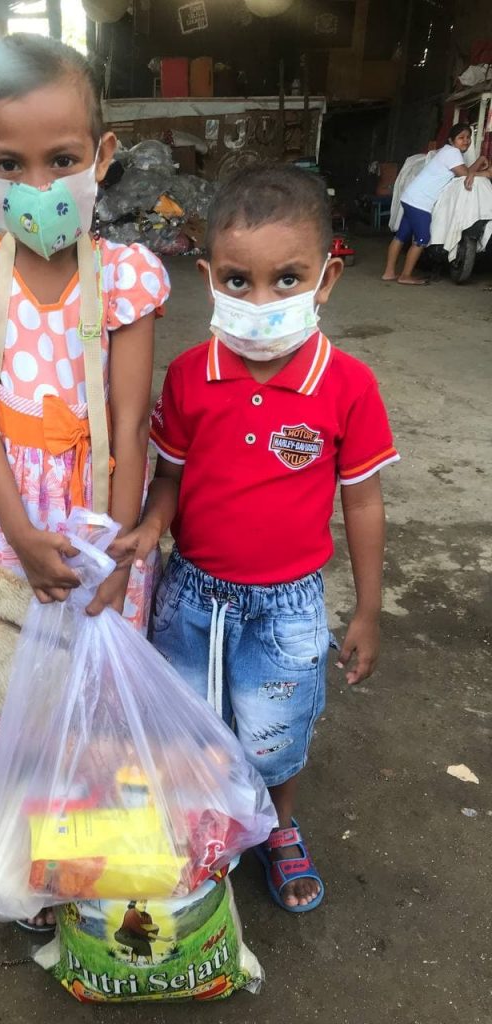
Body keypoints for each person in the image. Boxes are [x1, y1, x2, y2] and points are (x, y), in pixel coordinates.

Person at [0, 34, 170, 931]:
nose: (38, 183)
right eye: (9, 163)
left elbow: (133, 422)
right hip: (1, 511)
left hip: (97, 507)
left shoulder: (128, 278)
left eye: (62, 160)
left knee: (87, 695)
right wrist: (21, 534)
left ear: (101, 159)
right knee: (12, 683)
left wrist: (113, 546)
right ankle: (25, 862)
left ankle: (82, 852)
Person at [111, 165, 399, 913]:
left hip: (290, 607)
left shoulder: (348, 386)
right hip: (192, 593)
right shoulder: (186, 377)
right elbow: (169, 477)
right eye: (238, 281)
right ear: (207, 277)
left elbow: (362, 503)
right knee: (189, 726)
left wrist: (367, 611)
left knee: (276, 737)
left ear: (326, 279)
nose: (260, 301)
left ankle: (277, 826)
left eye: (288, 279)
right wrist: (150, 525)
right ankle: (203, 821)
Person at [382, 122, 489, 284]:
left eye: (468, 138)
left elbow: (466, 173)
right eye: (461, 138)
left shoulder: (448, 152)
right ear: (452, 141)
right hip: (420, 202)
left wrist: (480, 159)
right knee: (423, 239)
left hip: (410, 197)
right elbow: (466, 174)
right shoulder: (453, 153)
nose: (466, 141)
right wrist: (487, 173)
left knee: (401, 236)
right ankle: (405, 276)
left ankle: (389, 273)